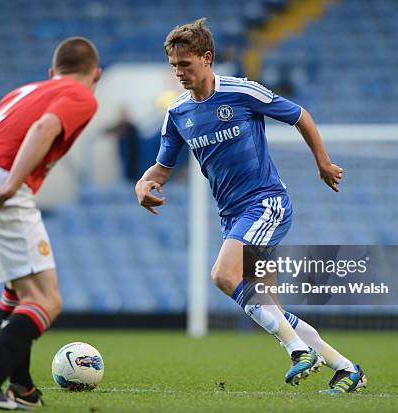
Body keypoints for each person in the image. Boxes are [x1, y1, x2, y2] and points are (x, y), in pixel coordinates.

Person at [135, 19, 366, 394]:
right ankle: (346, 368)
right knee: (270, 307)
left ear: (207, 58)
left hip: (266, 203)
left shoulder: (241, 92)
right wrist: (143, 184)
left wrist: (322, 162)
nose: (178, 72)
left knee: (224, 277)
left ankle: (297, 352)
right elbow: (161, 169)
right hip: (232, 217)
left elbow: (299, 115)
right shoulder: (178, 113)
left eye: (185, 64)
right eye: (174, 65)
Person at [0, 37, 101, 410]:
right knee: (47, 299)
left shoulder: (25, 90)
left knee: (19, 290)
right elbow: (44, 128)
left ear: (51, 73)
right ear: (96, 73)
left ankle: (22, 386)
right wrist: (10, 185)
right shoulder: (81, 94)